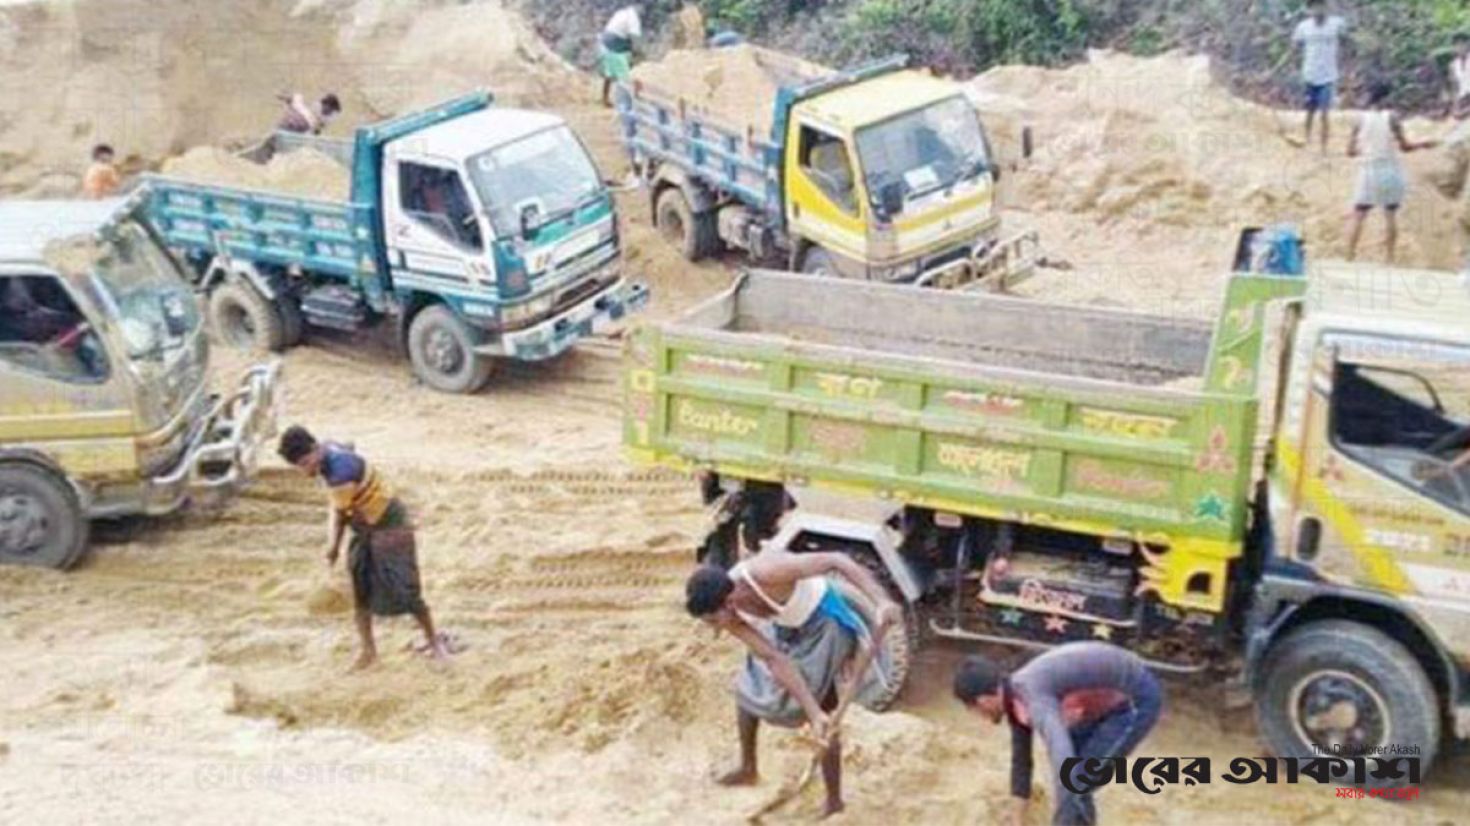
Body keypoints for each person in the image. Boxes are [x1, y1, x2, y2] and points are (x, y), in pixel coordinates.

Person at [684, 549, 903, 818]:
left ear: (729, 601)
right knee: (749, 684)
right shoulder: (726, 614)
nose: (715, 628)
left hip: (827, 623)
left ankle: (834, 801)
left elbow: (836, 559)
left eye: (713, 620)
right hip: (787, 626)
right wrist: (810, 709)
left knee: (824, 707)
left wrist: (880, 600)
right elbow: (772, 658)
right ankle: (748, 767)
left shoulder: (766, 573)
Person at [277, 425, 449, 670]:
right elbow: (346, 449)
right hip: (365, 526)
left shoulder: (340, 474)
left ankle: (435, 642)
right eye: (300, 466)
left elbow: (339, 516)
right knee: (361, 592)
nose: (306, 471)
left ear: (315, 450)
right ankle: (368, 651)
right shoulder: (330, 451)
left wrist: (333, 548)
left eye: (306, 462)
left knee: (407, 590)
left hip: (389, 525)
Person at [954, 642, 1162, 826]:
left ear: (982, 700)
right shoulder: (1015, 697)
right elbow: (1021, 763)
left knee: (1078, 780)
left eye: (972, 709)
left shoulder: (1032, 697)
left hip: (1134, 697)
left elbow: (1063, 762)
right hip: (1098, 705)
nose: (978, 716)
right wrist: (1016, 820)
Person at [1346, 82, 1436, 263]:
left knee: (1359, 214)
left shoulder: (1359, 119)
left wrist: (1364, 150)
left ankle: (1349, 256)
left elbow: (1350, 151)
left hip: (1368, 169)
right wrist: (1424, 144)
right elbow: (1405, 146)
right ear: (1387, 97)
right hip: (1389, 168)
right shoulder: (1393, 118)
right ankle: (1389, 258)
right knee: (1390, 214)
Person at [1290, 0, 1348, 154]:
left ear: (1327, 7)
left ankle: (1324, 148)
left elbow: (1347, 41)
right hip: (1309, 74)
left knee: (1324, 113)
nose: (1318, 9)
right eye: (1314, 6)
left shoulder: (1337, 24)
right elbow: (1294, 48)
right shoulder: (1303, 27)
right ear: (1309, 9)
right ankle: (1306, 139)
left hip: (1328, 76)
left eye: (1321, 5)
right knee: (1309, 110)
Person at [599, 4, 642, 107]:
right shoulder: (633, 18)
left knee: (608, 73)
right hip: (615, 40)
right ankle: (626, 99)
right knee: (624, 71)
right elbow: (634, 36)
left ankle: (605, 98)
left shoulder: (621, 13)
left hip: (605, 40)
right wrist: (636, 53)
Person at [277, 91, 341, 135]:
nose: (326, 110)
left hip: (306, 125)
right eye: (326, 106)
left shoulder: (328, 117)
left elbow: (318, 129)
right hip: (302, 118)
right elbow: (296, 101)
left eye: (329, 109)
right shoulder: (312, 108)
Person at [1448, 32, 1470, 120]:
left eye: (1462, 44)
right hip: (1464, 99)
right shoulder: (1453, 65)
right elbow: (1454, 88)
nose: (1460, 47)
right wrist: (1455, 107)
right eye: (1456, 45)